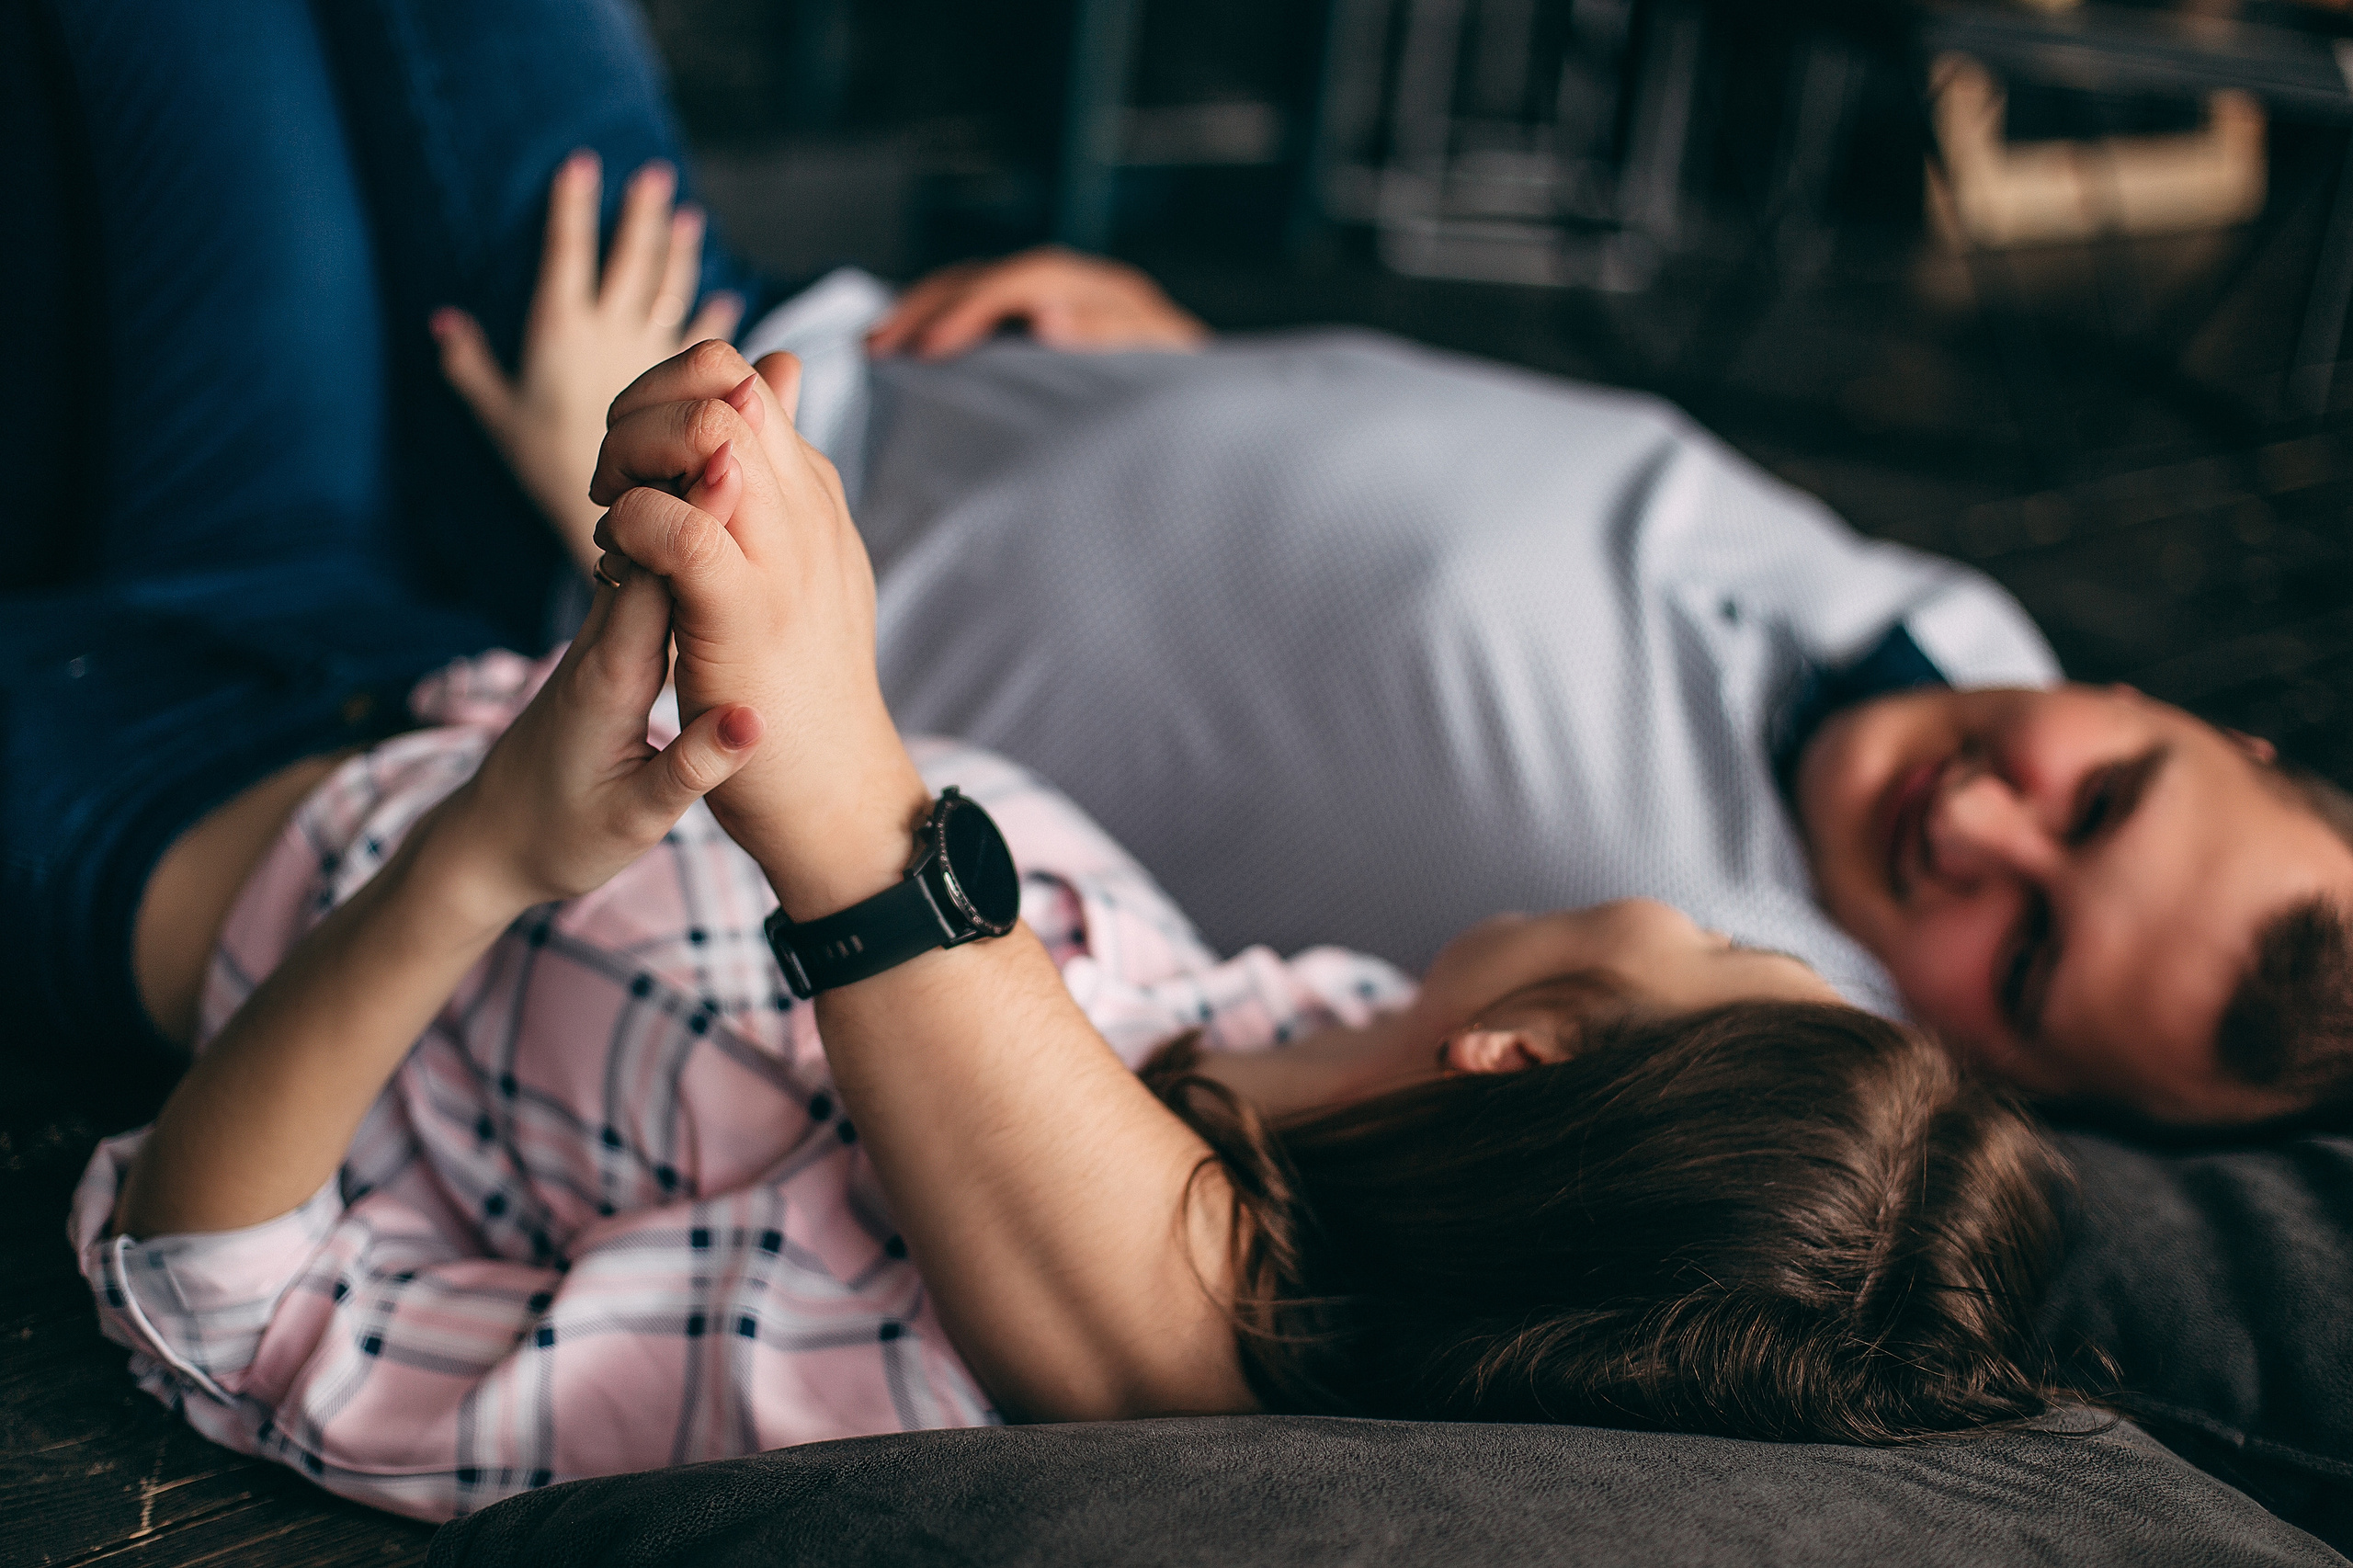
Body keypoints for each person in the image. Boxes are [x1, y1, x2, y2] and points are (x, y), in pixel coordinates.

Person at [74, 338, 2065, 1519]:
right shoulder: (1309, 1026)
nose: (1702, 907)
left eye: (1746, 953)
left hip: (151, 828)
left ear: (1530, 1051)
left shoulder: (858, 1361)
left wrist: (480, 864)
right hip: (388, 630)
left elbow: (232, 1294)